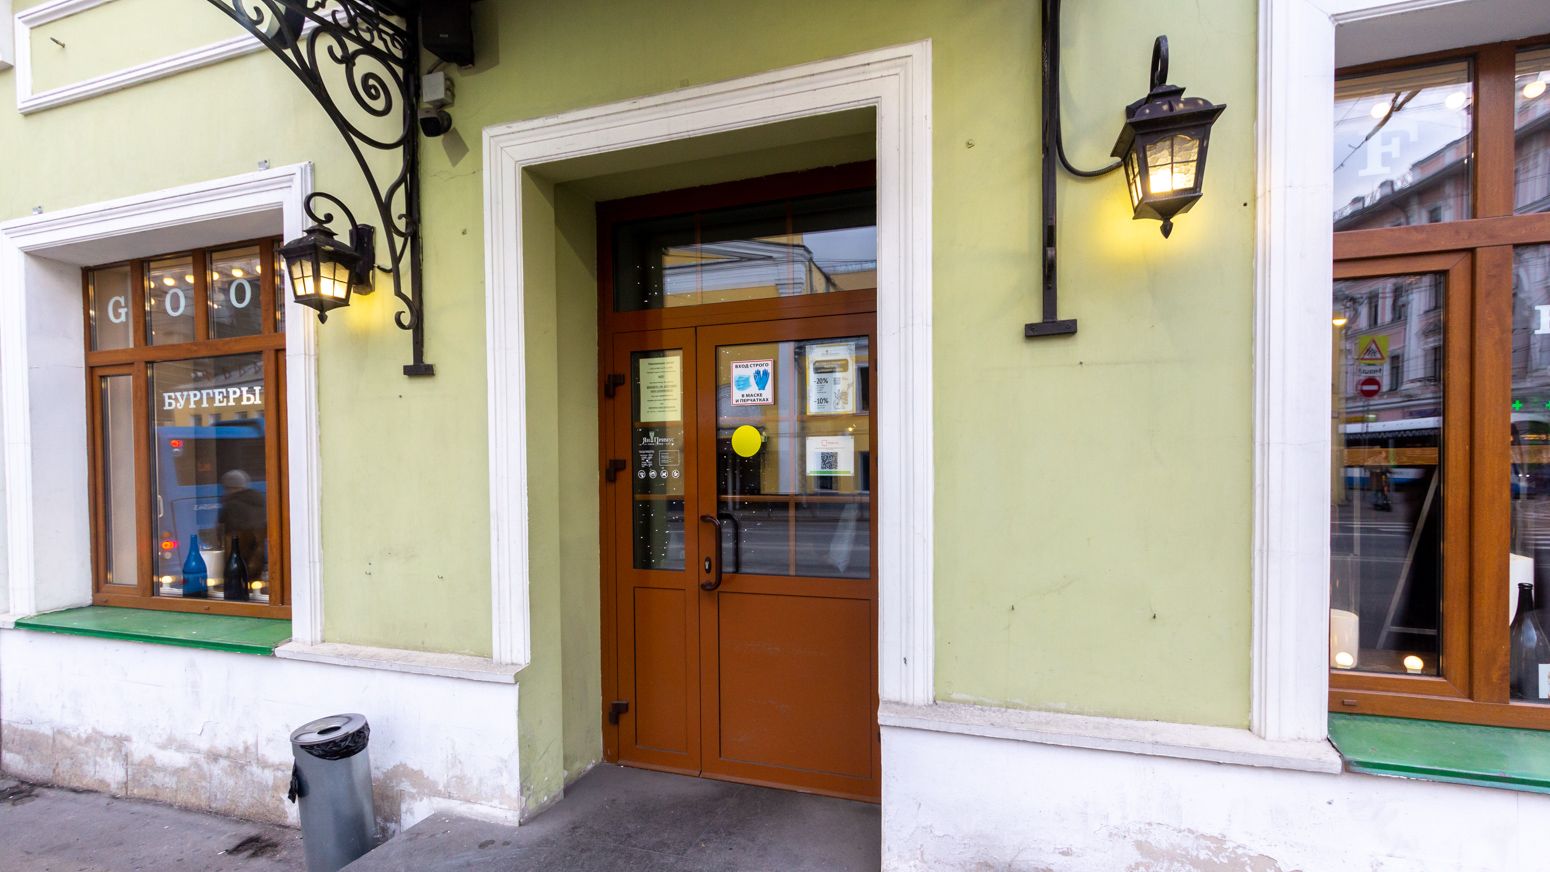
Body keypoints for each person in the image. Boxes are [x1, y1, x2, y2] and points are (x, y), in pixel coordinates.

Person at [217, 469, 267, 578]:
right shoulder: (257, 500)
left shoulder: (231, 505)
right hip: (256, 558)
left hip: (238, 556)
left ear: (229, 487)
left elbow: (222, 530)